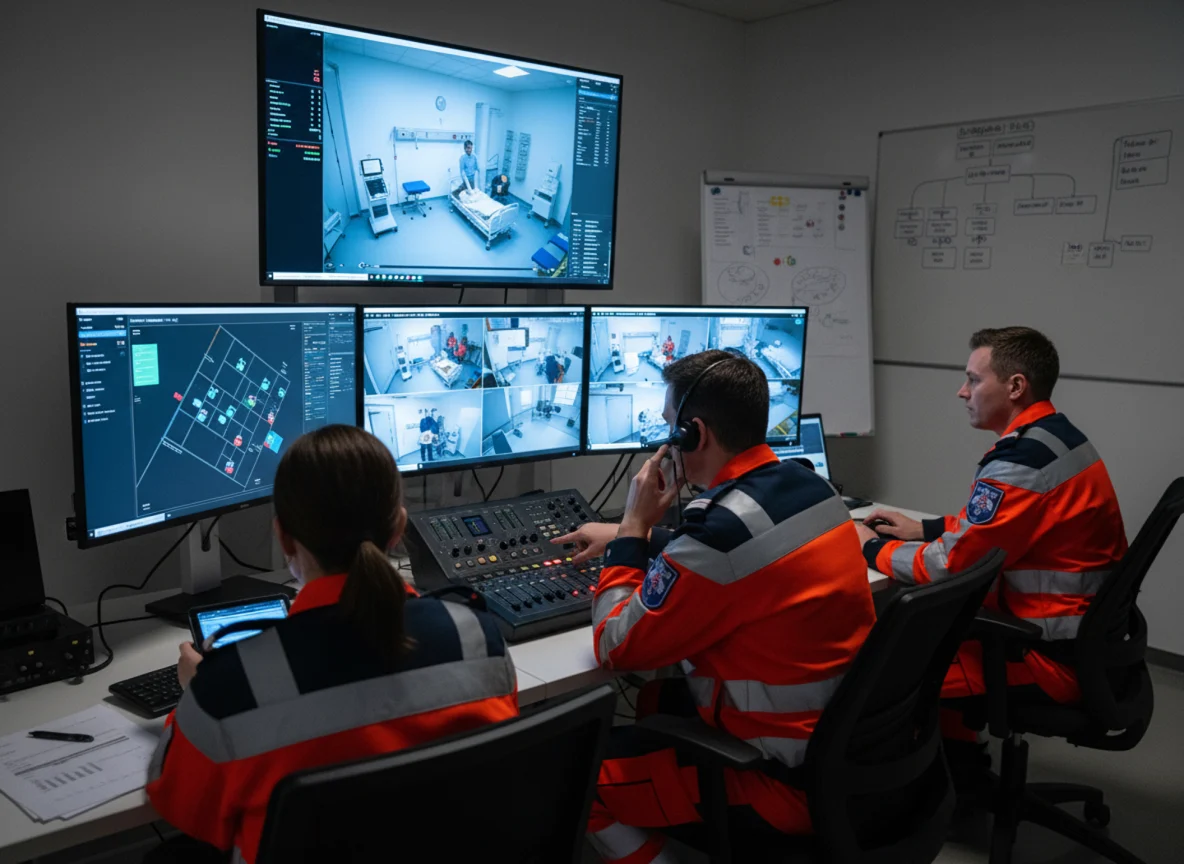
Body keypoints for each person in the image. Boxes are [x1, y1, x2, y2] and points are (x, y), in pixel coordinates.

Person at [554, 350, 875, 862]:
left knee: (570, 780)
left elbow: (616, 646)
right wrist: (630, 534)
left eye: (667, 425)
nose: (664, 438)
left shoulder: (721, 533)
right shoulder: (812, 489)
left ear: (692, 434)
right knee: (656, 699)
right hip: (847, 752)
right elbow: (736, 549)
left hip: (776, 780)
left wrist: (633, 530)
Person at [145, 426, 517, 863]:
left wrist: (196, 693)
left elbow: (177, 804)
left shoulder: (229, 689)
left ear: (283, 537)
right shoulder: (478, 638)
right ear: (398, 526)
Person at [854, 327, 1126, 730]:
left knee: (872, 679)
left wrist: (869, 546)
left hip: (1043, 654)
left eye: (974, 379)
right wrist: (923, 529)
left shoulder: (1022, 463)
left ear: (1016, 386)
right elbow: (1003, 531)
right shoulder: (1055, 437)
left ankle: (937, 783)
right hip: (1081, 642)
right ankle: (959, 770)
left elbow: (951, 565)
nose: (962, 392)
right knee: (912, 648)